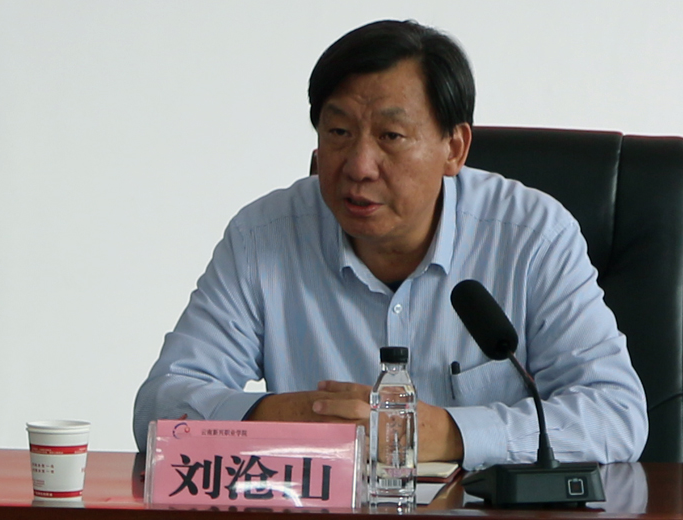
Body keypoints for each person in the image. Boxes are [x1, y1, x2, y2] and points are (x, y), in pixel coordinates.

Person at [133, 20, 648, 469]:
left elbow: (616, 414)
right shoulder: (261, 237)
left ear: (454, 148)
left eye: (391, 136)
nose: (358, 166)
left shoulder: (532, 238)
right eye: (338, 131)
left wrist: (449, 434)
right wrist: (279, 417)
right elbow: (159, 406)